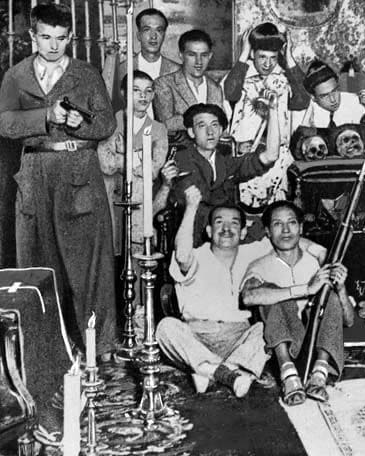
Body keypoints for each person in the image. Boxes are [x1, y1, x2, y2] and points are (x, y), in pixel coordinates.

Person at [0, 3, 117, 357]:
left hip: (79, 172)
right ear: (32, 36)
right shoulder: (16, 76)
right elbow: (5, 123)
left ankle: (99, 348)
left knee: (88, 267)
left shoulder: (87, 74)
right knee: (36, 262)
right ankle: (42, 351)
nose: (53, 45)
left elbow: (106, 123)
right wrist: (45, 116)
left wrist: (82, 125)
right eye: (46, 37)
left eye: (61, 38)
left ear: (70, 38)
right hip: (34, 174)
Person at [156, 199, 326, 396]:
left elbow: (286, 238)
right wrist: (191, 207)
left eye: (234, 223)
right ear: (209, 231)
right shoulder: (195, 256)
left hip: (239, 337)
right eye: (219, 222)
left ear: (243, 232)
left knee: (265, 330)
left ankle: (208, 371)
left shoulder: (252, 252)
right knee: (165, 328)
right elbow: (181, 256)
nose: (226, 229)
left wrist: (319, 252)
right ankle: (230, 373)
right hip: (197, 335)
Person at [241, 201, 355, 406]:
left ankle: (319, 375)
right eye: (277, 224)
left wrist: (341, 288)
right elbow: (248, 297)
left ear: (301, 228)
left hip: (319, 346)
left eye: (291, 223)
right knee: (272, 293)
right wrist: (306, 289)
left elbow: (349, 321)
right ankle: (289, 377)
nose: (286, 230)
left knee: (329, 295)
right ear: (267, 231)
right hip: (281, 349)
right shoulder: (259, 266)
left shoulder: (319, 262)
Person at [222, 23, 310, 210]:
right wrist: (244, 53)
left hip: (277, 154)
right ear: (253, 54)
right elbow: (230, 92)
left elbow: (302, 100)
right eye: (262, 57)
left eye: (273, 58)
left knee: (277, 208)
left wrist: (289, 57)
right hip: (247, 154)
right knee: (246, 207)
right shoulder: (241, 77)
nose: (267, 64)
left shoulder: (284, 80)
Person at [171, 102, 279, 246]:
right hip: (195, 236)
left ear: (221, 130)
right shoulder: (182, 159)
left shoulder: (224, 162)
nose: (210, 132)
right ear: (191, 132)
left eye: (215, 125)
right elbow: (201, 202)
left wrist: (273, 111)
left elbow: (270, 156)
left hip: (226, 231)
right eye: (202, 126)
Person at [98, 70, 171, 255]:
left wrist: (123, 155)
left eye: (148, 91)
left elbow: (153, 170)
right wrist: (138, 158)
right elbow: (105, 163)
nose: (143, 96)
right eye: (136, 90)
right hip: (111, 199)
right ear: (124, 93)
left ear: (153, 95)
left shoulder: (158, 130)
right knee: (110, 254)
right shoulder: (111, 123)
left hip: (141, 204)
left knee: (138, 255)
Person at [153, 29, 223, 135]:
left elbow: (221, 123)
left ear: (210, 56)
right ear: (181, 55)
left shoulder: (215, 88)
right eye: (192, 55)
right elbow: (165, 124)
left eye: (204, 55)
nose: (199, 61)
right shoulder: (163, 84)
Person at [300, 59, 365, 128]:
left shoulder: (355, 102)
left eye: (334, 91)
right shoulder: (310, 110)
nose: (333, 100)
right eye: (324, 96)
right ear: (313, 97)